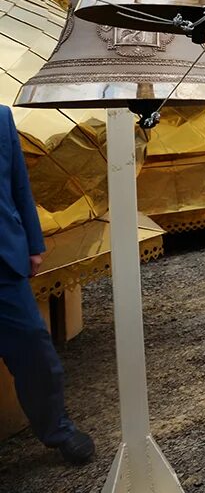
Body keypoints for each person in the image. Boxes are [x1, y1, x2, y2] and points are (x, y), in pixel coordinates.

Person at [0, 105, 93, 464]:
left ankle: (58, 430)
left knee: (35, 352)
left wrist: (34, 245)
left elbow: (18, 183)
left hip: (4, 265)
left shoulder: (2, 119)